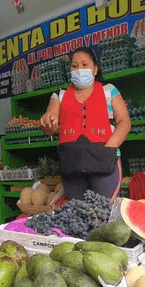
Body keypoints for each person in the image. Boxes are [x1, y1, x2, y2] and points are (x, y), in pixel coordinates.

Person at [40, 47, 131, 200]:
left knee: (102, 211)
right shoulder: (60, 95)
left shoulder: (109, 91)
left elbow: (124, 122)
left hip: (105, 160)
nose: (79, 70)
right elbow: (50, 124)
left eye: (84, 65)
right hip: (72, 163)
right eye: (74, 66)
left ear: (95, 69)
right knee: (77, 213)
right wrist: (47, 123)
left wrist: (110, 146)